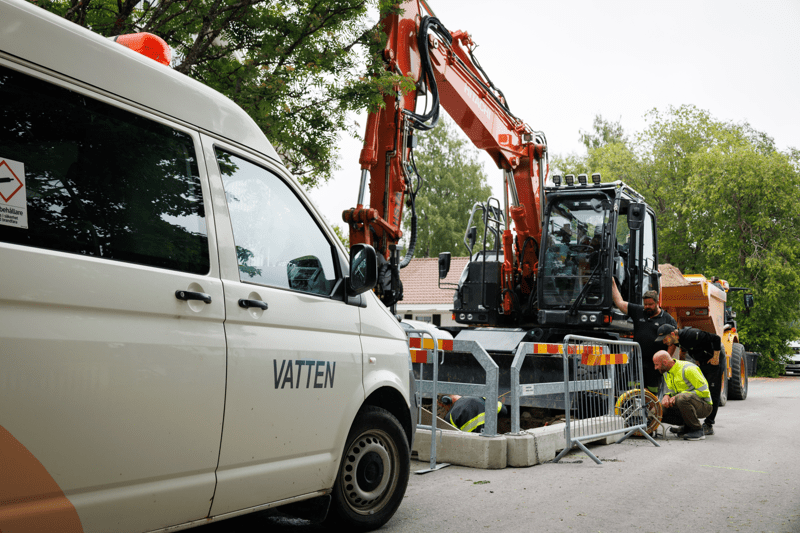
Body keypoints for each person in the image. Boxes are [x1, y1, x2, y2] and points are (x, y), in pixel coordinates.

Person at [611, 280, 677, 394]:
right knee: (630, 389)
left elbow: (673, 343)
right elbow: (620, 302)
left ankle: (651, 411)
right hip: (636, 360)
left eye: (650, 304)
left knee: (652, 392)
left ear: (657, 303)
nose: (647, 307)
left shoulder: (668, 319)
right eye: (645, 304)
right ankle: (631, 409)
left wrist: (665, 360)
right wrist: (612, 283)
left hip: (655, 364)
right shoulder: (638, 311)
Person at [656, 324, 722, 436]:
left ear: (672, 334)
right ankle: (687, 424)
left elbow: (716, 338)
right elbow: (685, 348)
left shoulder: (691, 334)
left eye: (665, 339)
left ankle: (709, 425)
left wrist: (715, 358)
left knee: (711, 391)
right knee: (687, 390)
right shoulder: (676, 340)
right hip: (701, 361)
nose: (664, 342)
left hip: (713, 360)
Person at [652, 350, 712, 440]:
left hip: (704, 406)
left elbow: (704, 392)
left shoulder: (688, 369)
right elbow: (672, 391)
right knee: (657, 409)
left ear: (664, 362)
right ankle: (686, 426)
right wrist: (667, 396)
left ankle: (697, 430)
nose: (655, 368)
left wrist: (677, 396)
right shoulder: (666, 372)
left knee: (681, 398)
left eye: (657, 364)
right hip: (685, 402)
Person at [439, 395, 506, 433]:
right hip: (488, 441)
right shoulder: (482, 400)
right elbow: (504, 410)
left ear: (446, 400)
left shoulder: (450, 416)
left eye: (443, 406)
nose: (445, 409)